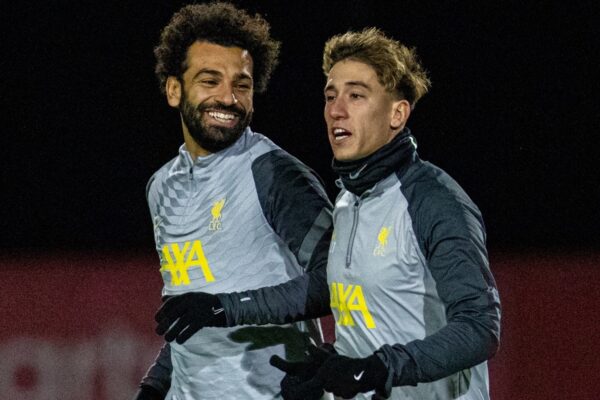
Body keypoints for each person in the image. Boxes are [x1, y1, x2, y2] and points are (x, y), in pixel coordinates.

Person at [154, 27, 502, 399]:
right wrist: (327, 365)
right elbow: (353, 307)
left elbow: (480, 327)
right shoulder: (349, 201)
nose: (337, 110)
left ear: (398, 113)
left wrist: (379, 368)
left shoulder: (434, 200)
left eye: (356, 95)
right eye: (330, 95)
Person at [132, 2, 333, 399]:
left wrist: (227, 307)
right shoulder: (161, 187)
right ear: (175, 90)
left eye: (241, 84)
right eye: (210, 81)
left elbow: (337, 278)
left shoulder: (275, 173)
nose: (229, 98)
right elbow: (191, 313)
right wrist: (155, 386)